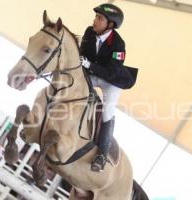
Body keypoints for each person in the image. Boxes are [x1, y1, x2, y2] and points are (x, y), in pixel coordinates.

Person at [80, 3, 137, 172]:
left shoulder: (119, 45)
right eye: (96, 17)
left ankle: (102, 154)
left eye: (99, 18)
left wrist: (89, 64)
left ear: (110, 24)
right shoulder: (90, 32)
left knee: (107, 111)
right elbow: (83, 53)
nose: (95, 20)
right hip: (91, 73)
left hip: (111, 81)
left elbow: (112, 72)